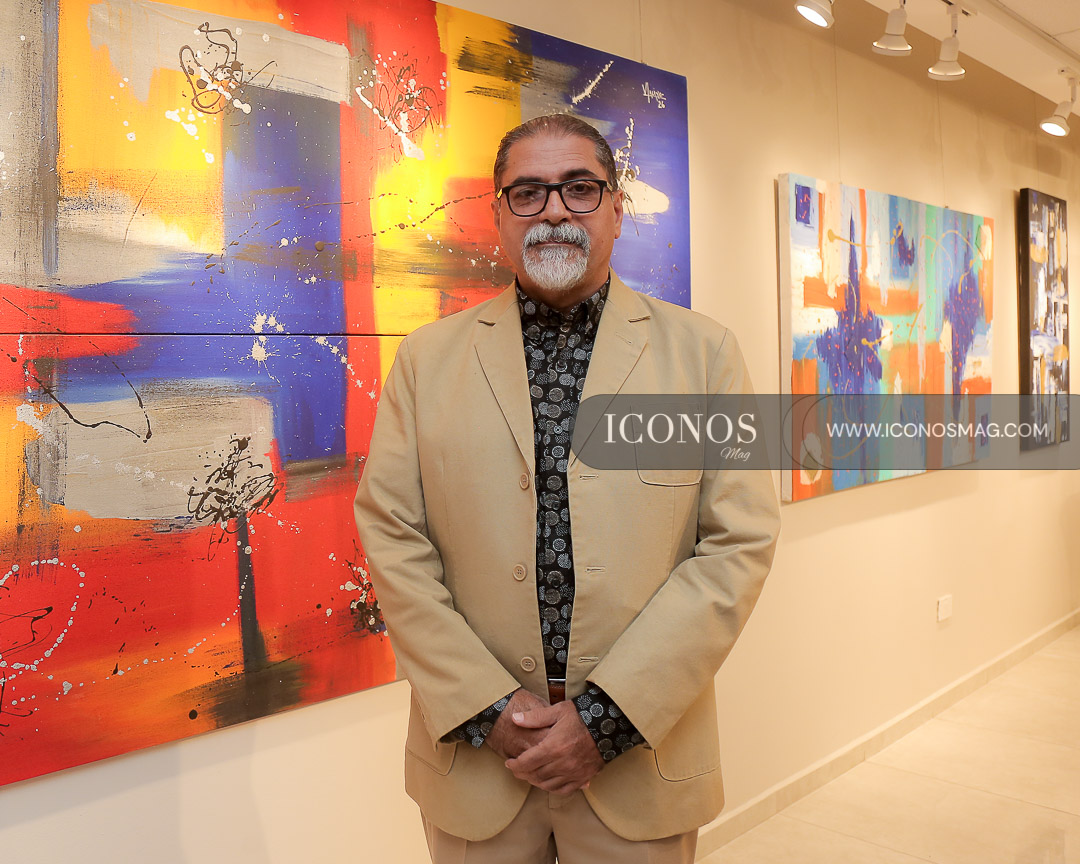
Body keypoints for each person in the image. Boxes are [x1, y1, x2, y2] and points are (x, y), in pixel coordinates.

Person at [354, 113, 780, 864]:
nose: (554, 210)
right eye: (528, 193)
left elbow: (738, 543)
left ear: (616, 208)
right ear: (498, 216)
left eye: (579, 188)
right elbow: (392, 537)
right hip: (479, 763)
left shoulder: (705, 355)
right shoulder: (425, 361)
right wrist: (488, 707)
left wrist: (609, 716)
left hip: (639, 761)